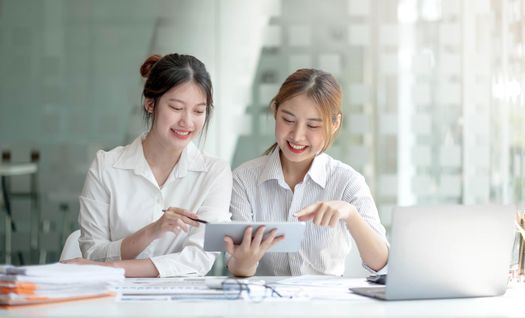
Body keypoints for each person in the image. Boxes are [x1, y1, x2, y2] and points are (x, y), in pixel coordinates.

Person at [64, 53, 232, 277]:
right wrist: (152, 231)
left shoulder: (215, 173)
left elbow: (197, 261)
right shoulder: (107, 166)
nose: (187, 122)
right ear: (150, 103)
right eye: (176, 107)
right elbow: (93, 253)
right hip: (113, 302)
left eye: (199, 111)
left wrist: (111, 269)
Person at [225, 68, 388, 277]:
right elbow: (237, 267)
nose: (298, 136)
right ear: (275, 110)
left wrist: (351, 214)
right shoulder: (243, 179)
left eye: (313, 125)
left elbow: (382, 264)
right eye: (288, 120)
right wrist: (245, 262)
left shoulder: (347, 181)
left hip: (327, 306)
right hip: (267, 305)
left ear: (335, 123)